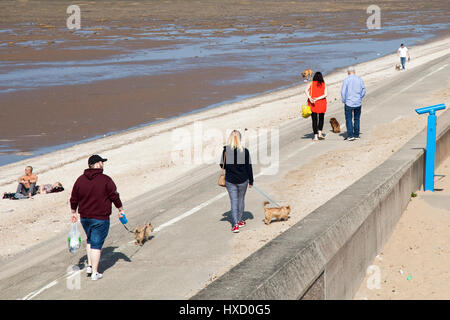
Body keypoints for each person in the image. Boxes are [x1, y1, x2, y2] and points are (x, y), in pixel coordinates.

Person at [70, 154, 125, 281]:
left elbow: (74, 198)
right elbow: (114, 196)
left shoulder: (80, 180)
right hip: (100, 217)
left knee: (90, 239)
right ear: (97, 164)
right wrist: (120, 209)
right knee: (96, 244)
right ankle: (95, 272)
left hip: (85, 217)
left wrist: (73, 212)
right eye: (102, 162)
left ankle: (89, 266)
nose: (103, 164)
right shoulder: (106, 180)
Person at [220, 130, 254, 233]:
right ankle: (239, 220)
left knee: (234, 201)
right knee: (241, 200)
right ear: (240, 139)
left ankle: (235, 225)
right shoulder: (244, 151)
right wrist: (251, 180)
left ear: (230, 138)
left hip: (230, 180)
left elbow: (222, 165)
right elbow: (249, 167)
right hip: (243, 179)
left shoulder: (226, 151)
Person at [341, 66, 366, 141]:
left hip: (349, 102)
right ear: (354, 72)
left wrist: (344, 100)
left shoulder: (346, 80)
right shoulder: (359, 79)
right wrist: (360, 97)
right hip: (358, 102)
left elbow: (343, 91)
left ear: (348, 72)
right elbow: (363, 90)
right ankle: (356, 134)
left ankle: (351, 135)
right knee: (357, 119)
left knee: (349, 119)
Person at [305, 72, 328, 141]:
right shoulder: (323, 84)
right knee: (321, 118)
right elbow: (325, 94)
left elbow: (305, 90)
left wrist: (310, 98)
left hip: (313, 103)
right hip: (322, 103)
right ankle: (320, 133)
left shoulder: (311, 83)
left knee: (314, 120)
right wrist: (317, 98)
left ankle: (315, 136)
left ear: (314, 77)